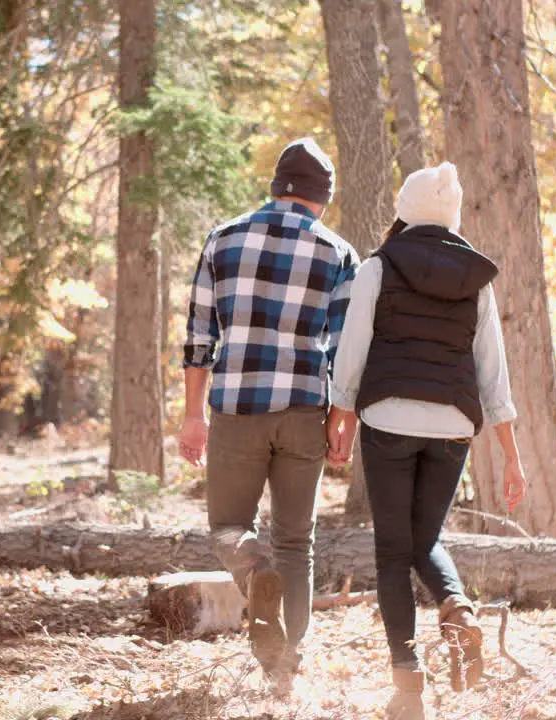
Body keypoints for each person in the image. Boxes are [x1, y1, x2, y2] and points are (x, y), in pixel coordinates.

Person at [326, 162, 528, 719]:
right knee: (424, 538)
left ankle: (407, 687)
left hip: (389, 421)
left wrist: (340, 416)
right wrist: (512, 456)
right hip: (453, 429)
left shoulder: (378, 267)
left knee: (394, 552)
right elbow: (494, 373)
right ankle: (458, 609)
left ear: (405, 211)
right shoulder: (476, 280)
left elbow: (353, 350)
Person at [177, 137, 359, 686]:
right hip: (306, 408)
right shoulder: (337, 252)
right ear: (321, 198)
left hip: (236, 405)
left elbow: (198, 333)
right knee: (296, 541)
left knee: (229, 526)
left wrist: (192, 415)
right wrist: (341, 418)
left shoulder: (223, 238)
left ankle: (256, 575)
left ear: (277, 186)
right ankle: (286, 667)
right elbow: (347, 348)